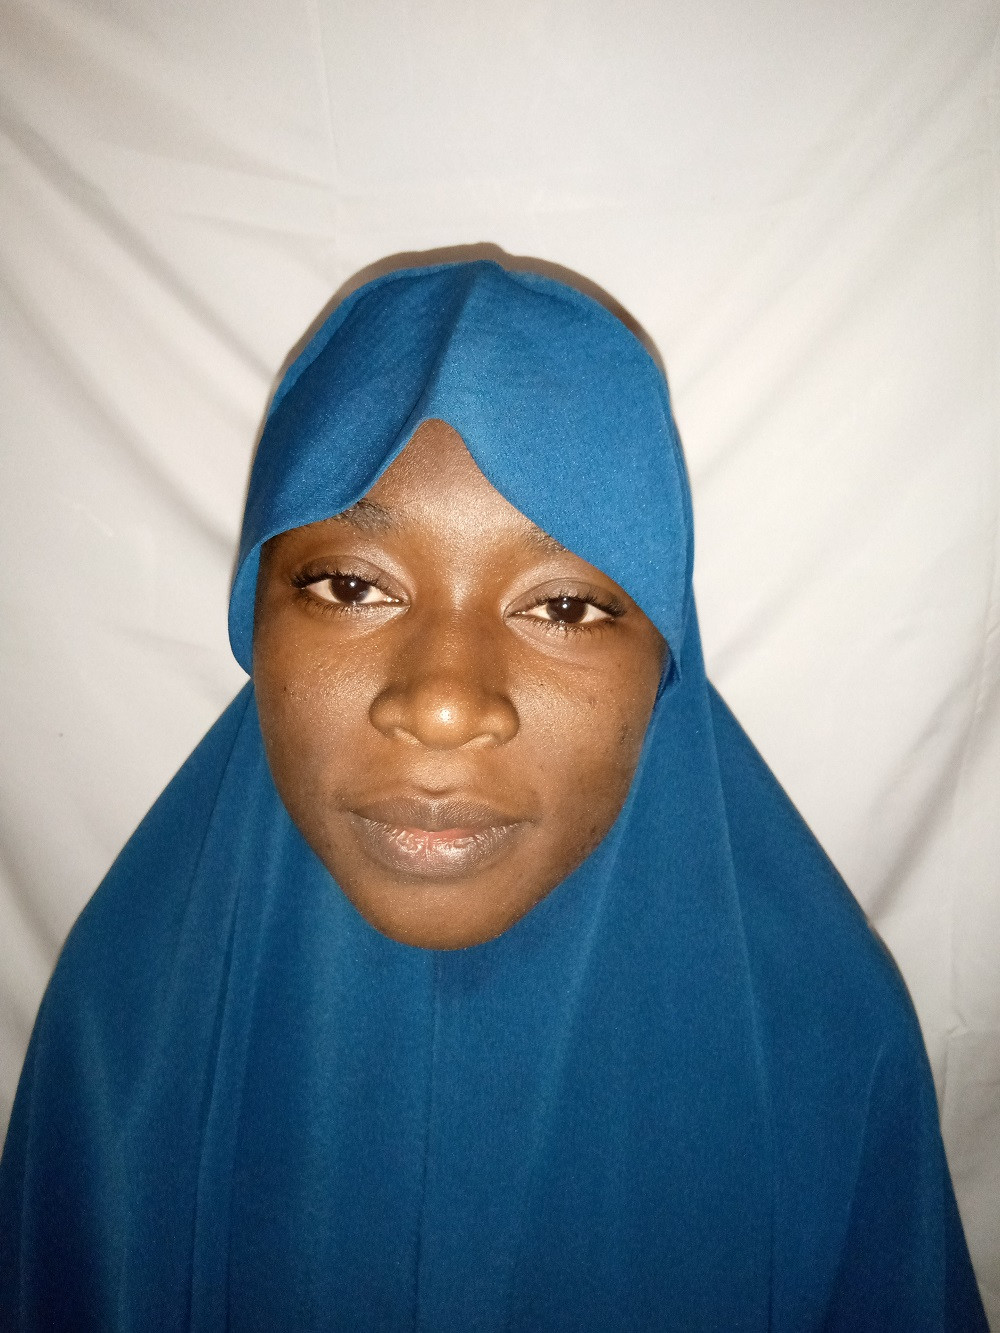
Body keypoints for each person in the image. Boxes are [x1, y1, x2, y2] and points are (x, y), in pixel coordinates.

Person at [0, 260, 987, 1331]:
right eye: (351, 585)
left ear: (667, 656)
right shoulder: (124, 1039)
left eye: (563, 606)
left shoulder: (825, 1050)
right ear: (256, 615)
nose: (441, 704)